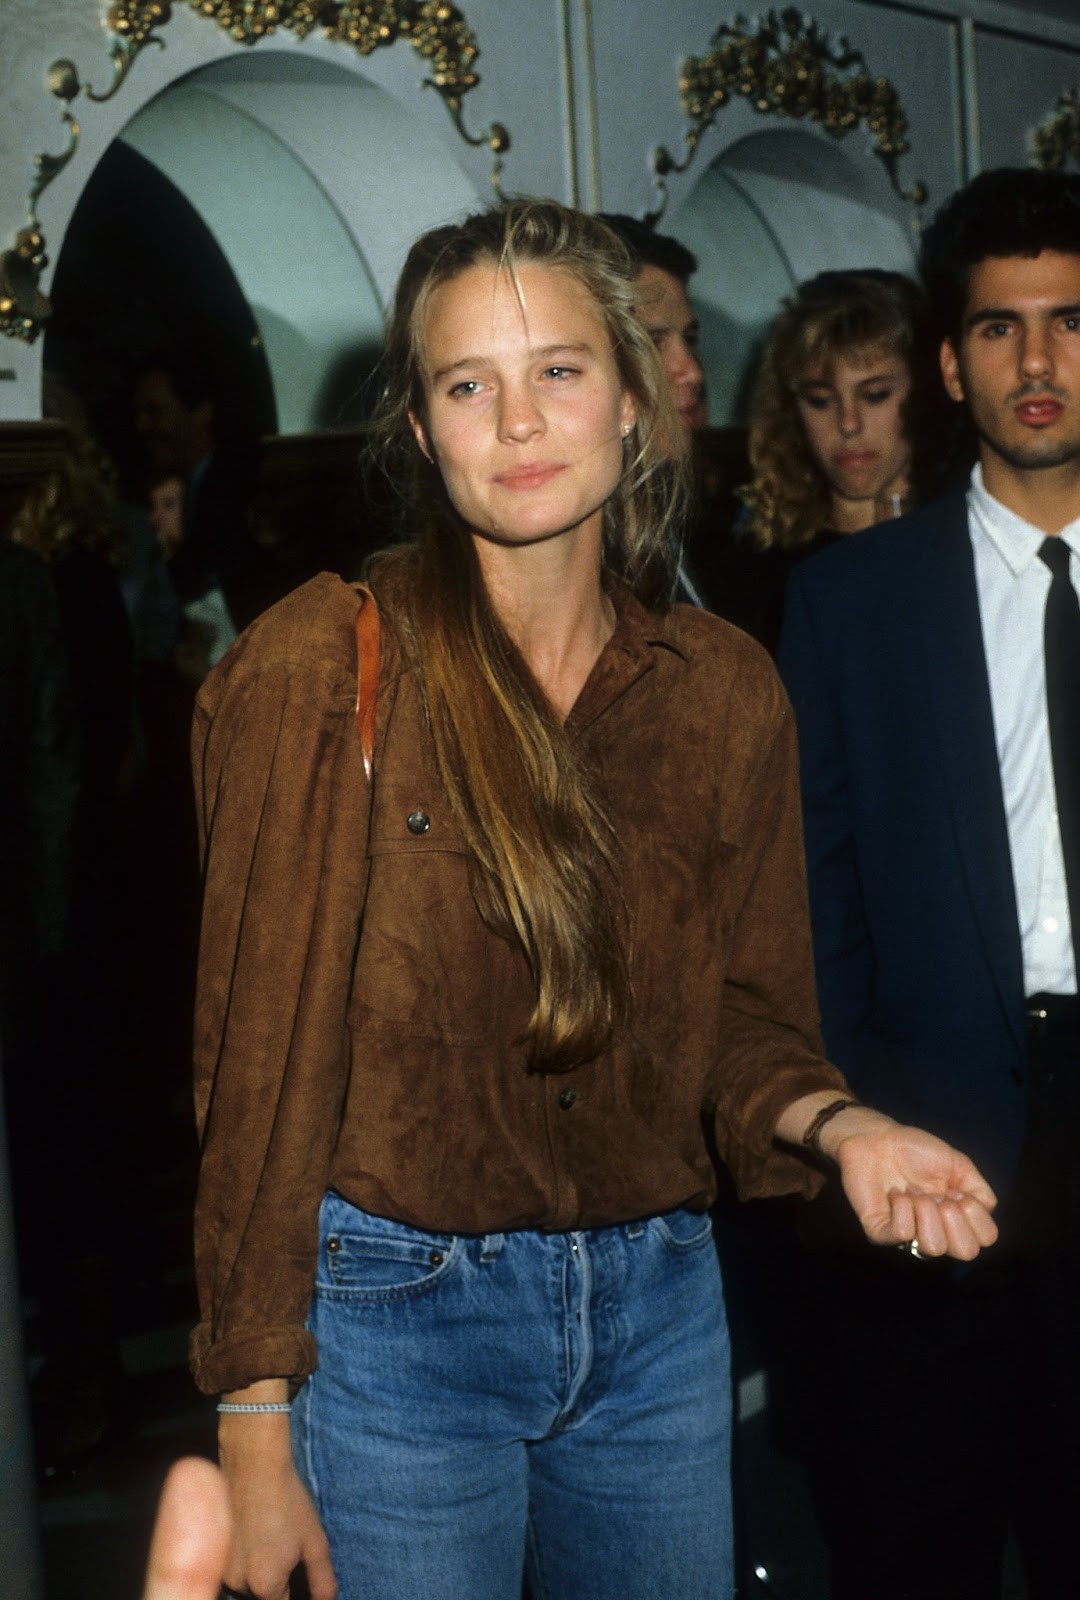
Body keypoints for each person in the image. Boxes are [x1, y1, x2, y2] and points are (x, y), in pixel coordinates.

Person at [189, 199, 997, 1600]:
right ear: (422, 426)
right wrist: (255, 1431)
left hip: (660, 1317)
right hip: (393, 1329)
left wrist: (845, 1122)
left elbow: (740, 1022)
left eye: (559, 370)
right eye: (468, 384)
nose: (517, 422)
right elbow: (256, 1074)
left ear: (633, 400)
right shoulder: (323, 667)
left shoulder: (723, 689)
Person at [777, 167, 1080, 1600]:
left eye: (1075, 322)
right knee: (921, 1550)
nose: (1041, 362)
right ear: (951, 363)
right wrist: (867, 1114)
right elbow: (816, 901)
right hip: (937, 1134)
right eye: (1003, 328)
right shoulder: (852, 602)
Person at [732, 268, 948, 652]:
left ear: (927, 394)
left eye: (876, 395)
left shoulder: (963, 537)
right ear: (790, 409)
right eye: (820, 400)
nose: (848, 424)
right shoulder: (758, 568)